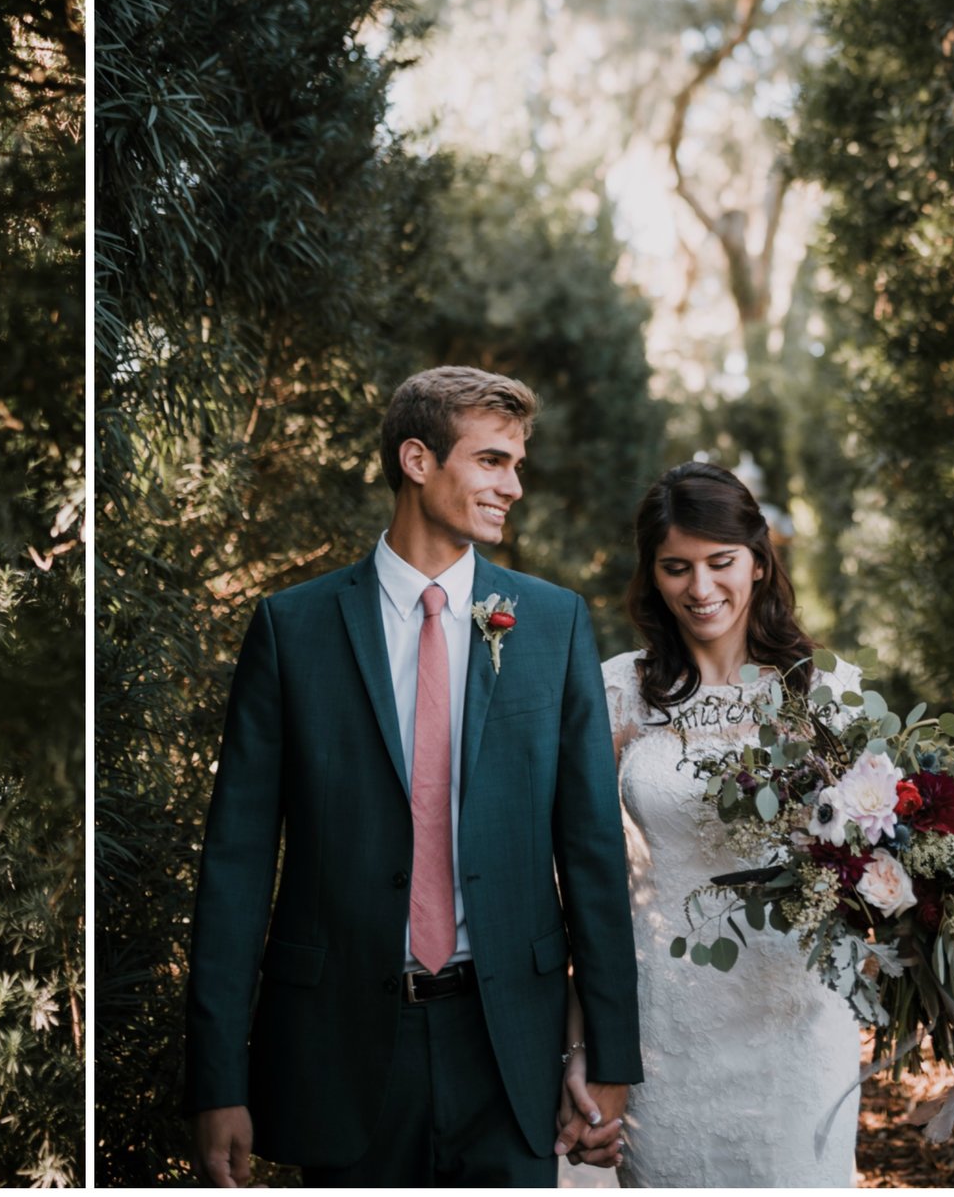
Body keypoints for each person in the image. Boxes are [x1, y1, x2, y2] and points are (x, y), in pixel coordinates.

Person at [185, 366, 641, 1187]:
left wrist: (608, 1053)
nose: (515, 486)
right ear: (418, 459)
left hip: (510, 1048)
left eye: (518, 466)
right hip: (338, 1047)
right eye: (493, 462)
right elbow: (237, 865)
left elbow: (592, 855)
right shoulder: (292, 630)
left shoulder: (551, 622)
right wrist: (217, 1080)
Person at [595, 461, 864, 1186]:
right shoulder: (620, 690)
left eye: (721, 562)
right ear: (652, 575)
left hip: (798, 1014)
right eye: (676, 568)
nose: (702, 588)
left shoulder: (823, 690)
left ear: (758, 560)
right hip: (664, 1026)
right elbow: (583, 873)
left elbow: (873, 855)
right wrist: (586, 1043)